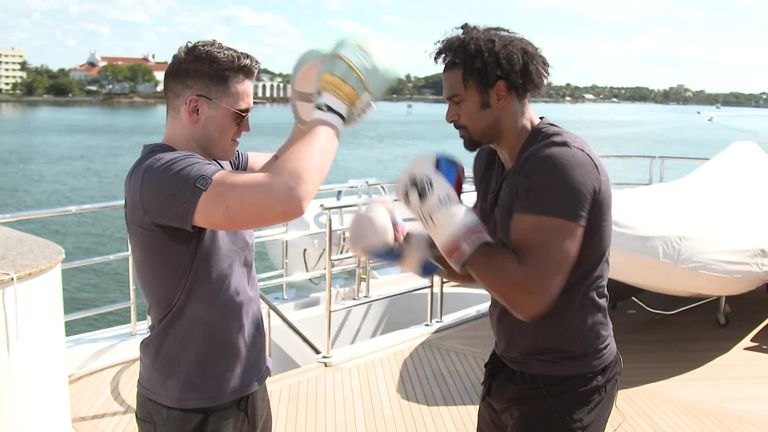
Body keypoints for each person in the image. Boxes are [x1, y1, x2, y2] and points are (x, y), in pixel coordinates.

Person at [124, 39, 391, 431]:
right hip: (189, 405)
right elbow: (287, 194)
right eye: (239, 115)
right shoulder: (162, 174)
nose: (247, 127)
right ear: (195, 108)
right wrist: (332, 110)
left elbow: (286, 170)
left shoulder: (217, 160)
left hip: (243, 385)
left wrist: (305, 112)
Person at [396, 24, 621, 431]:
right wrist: (410, 248)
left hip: (568, 382)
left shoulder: (559, 165)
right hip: (510, 365)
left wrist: (445, 216)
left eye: (457, 101)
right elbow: (478, 267)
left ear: (499, 93)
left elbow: (528, 294)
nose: (449, 115)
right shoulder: (491, 160)